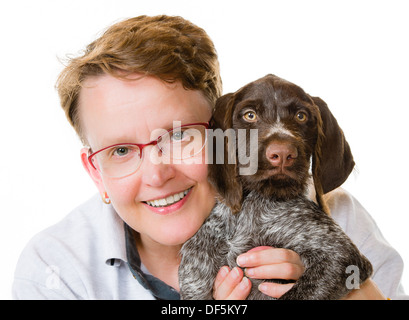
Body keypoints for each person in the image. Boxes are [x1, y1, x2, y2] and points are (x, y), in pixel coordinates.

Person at [12, 15, 406, 300]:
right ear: (95, 172)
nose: (157, 173)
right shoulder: (57, 268)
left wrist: (349, 292)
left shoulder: (337, 218)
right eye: (120, 150)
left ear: (225, 133)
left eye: (181, 136)